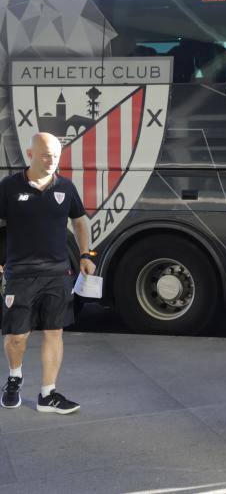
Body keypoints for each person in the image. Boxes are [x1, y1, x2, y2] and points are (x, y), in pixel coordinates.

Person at [1, 132, 95, 413]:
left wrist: (85, 255)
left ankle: (47, 394)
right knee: (17, 336)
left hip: (57, 273)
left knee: (54, 333)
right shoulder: (8, 187)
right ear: (30, 155)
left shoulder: (65, 188)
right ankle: (14, 378)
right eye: (45, 154)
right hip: (20, 273)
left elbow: (80, 221)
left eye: (55, 154)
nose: (51, 159)